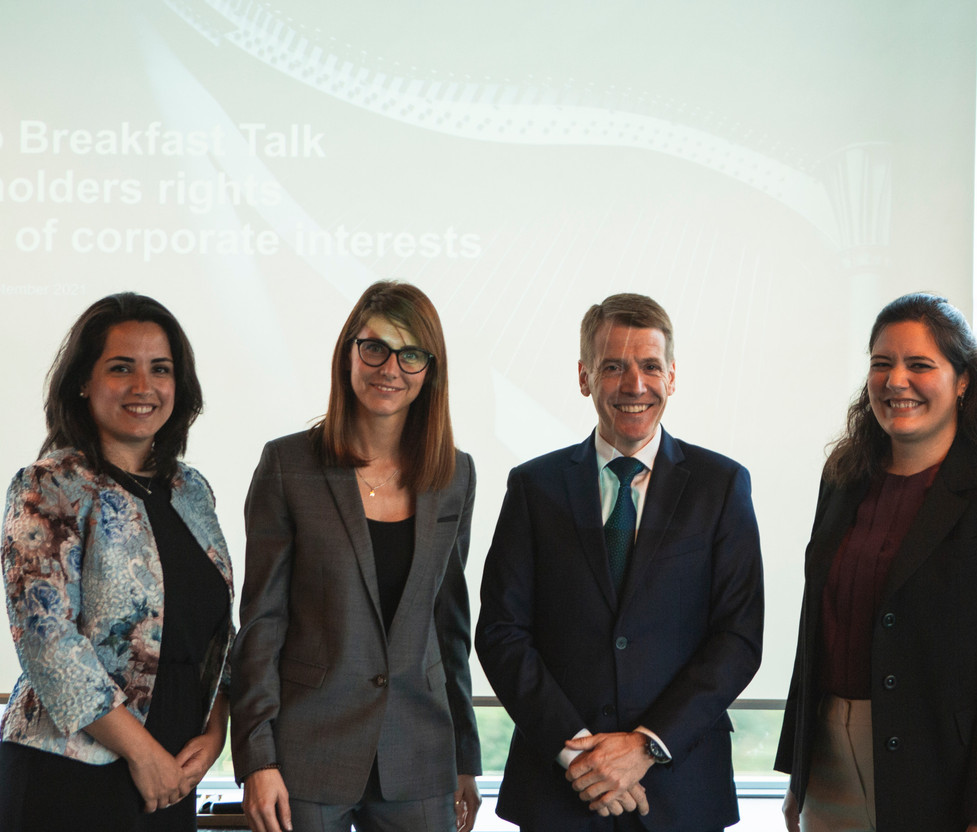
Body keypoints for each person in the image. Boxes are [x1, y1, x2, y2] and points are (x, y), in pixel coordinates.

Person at [475, 292, 764, 832]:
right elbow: (500, 633)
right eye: (613, 367)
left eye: (650, 366)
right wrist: (582, 757)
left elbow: (739, 637)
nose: (634, 385)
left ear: (672, 377)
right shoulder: (534, 487)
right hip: (558, 792)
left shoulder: (721, 486)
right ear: (584, 377)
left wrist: (645, 747)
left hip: (682, 791)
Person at [775, 292, 977, 832]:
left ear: (963, 379)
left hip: (948, 775)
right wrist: (797, 772)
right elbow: (816, 629)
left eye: (920, 365)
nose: (895, 381)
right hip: (829, 760)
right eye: (881, 365)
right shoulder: (844, 477)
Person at [230, 281, 481, 832]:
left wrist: (466, 755)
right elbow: (262, 624)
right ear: (349, 352)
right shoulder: (287, 464)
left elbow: (450, 624)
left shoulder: (455, 475)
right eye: (375, 347)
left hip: (419, 754)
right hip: (306, 754)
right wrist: (257, 758)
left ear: (429, 370)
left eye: (410, 353)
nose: (390, 367)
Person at [0, 293, 233, 832]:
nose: (143, 387)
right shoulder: (49, 485)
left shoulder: (190, 491)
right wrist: (142, 754)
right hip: (69, 773)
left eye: (161, 369)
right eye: (121, 368)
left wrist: (216, 729)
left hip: (173, 774)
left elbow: (217, 630)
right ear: (83, 381)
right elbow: (46, 638)